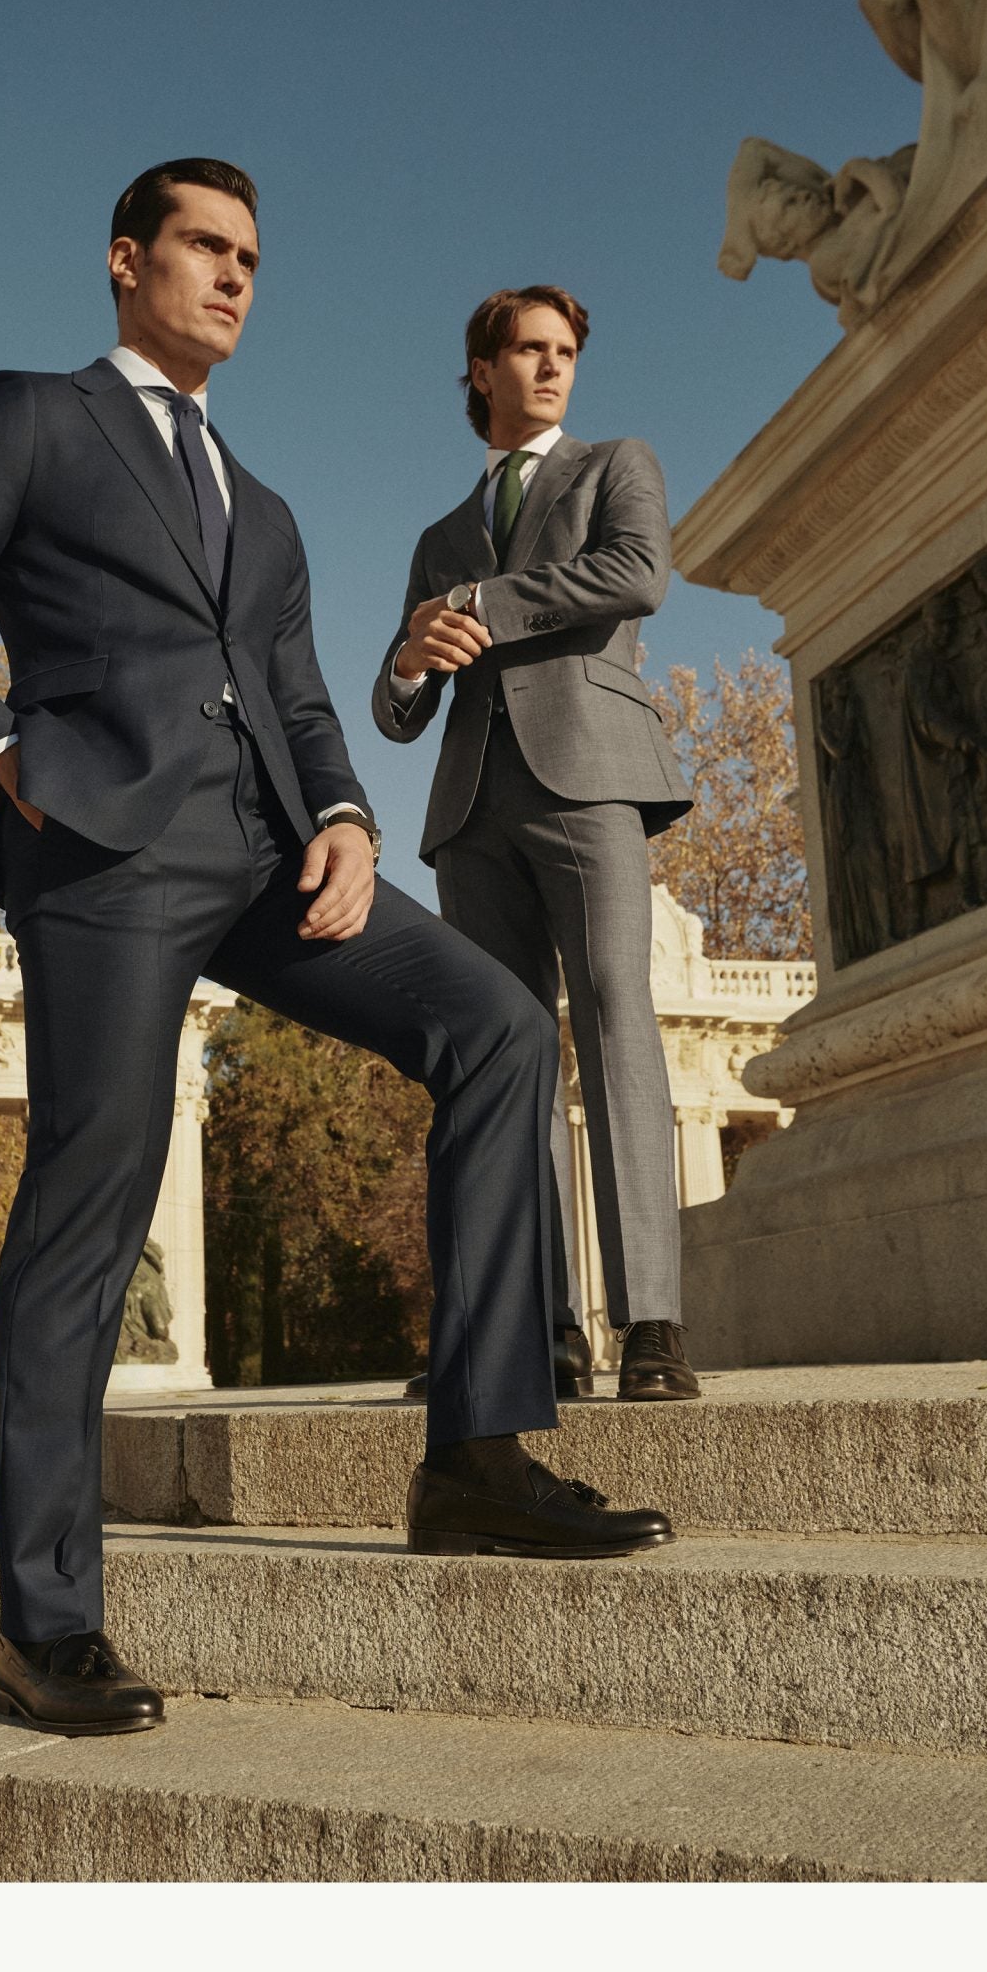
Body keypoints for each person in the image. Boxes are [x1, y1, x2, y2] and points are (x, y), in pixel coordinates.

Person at [0, 163, 673, 1739]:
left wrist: (348, 817)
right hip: (105, 850)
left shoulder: (267, 509)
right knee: (95, 1183)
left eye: (251, 258)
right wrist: (4, 755)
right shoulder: (31, 415)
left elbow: (297, 698)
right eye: (205, 247)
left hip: (273, 859)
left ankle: (476, 1454)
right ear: (126, 259)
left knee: (500, 1026)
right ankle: (48, 1622)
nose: (234, 276)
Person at [371, 286, 702, 1404]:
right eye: (529, 349)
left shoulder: (615, 467)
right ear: (483, 370)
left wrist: (483, 604)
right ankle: (540, 1328)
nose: (553, 366)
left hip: (591, 780)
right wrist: (409, 656)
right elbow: (398, 710)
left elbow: (636, 576)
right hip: (471, 809)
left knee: (614, 1017)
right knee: (503, 1051)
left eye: (565, 351)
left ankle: (650, 1325)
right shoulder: (436, 538)